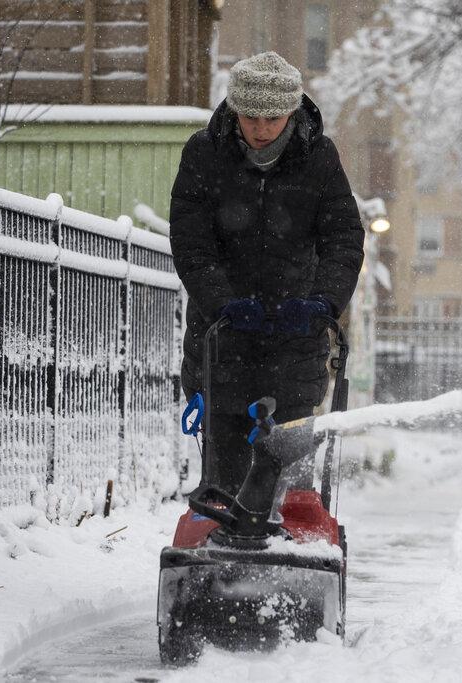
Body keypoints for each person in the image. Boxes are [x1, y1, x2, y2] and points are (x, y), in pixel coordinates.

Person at [169, 51, 364, 494]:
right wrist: (223, 302)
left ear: (292, 112)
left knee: (291, 477)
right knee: (225, 479)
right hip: (222, 340)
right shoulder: (204, 154)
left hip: (296, 340)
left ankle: (291, 545)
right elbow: (191, 243)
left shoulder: (320, 158)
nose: (260, 129)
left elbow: (344, 239)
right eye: (250, 117)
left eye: (272, 118)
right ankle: (223, 542)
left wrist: (322, 303)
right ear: (235, 110)